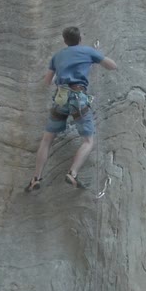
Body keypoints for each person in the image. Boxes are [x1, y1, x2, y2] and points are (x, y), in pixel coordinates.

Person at [25, 26, 117, 192]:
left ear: (65, 40)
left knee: (46, 140)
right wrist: (97, 56)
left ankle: (36, 178)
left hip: (60, 97)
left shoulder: (57, 56)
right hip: (78, 97)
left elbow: (48, 81)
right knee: (88, 141)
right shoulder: (88, 51)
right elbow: (112, 66)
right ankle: (72, 173)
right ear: (80, 38)